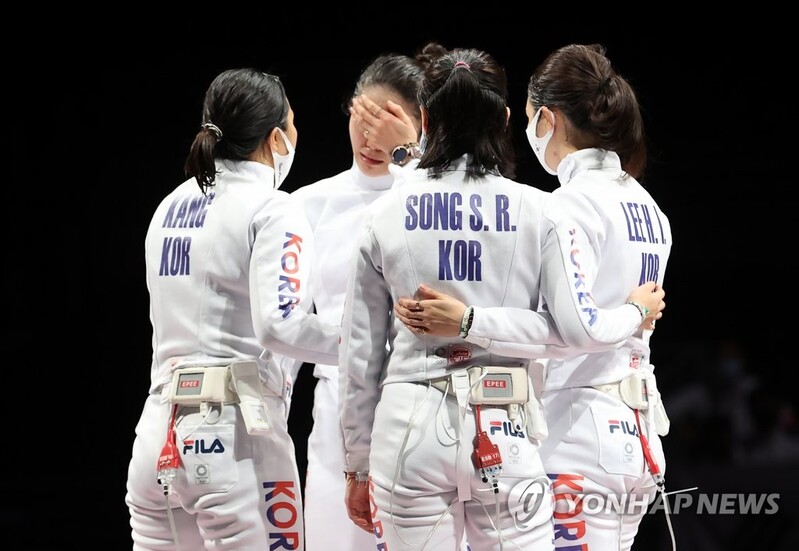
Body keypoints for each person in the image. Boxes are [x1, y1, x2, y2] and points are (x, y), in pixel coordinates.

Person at [338, 47, 665, 551]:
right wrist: (634, 311)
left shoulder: (383, 212)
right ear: (505, 120)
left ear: (426, 119)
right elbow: (568, 330)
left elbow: (359, 355)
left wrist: (356, 464)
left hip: (409, 432)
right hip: (508, 428)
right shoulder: (543, 211)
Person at [125, 67, 340, 550]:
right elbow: (281, 326)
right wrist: (373, 341)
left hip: (157, 432)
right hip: (233, 437)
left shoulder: (168, 206)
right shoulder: (272, 207)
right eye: (292, 123)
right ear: (275, 137)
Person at [288, 42, 448, 551]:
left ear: (419, 125)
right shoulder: (306, 205)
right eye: (364, 117)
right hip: (338, 415)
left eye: (388, 121)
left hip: (425, 406)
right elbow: (284, 325)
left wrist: (410, 159)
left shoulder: (440, 201)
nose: (371, 136)